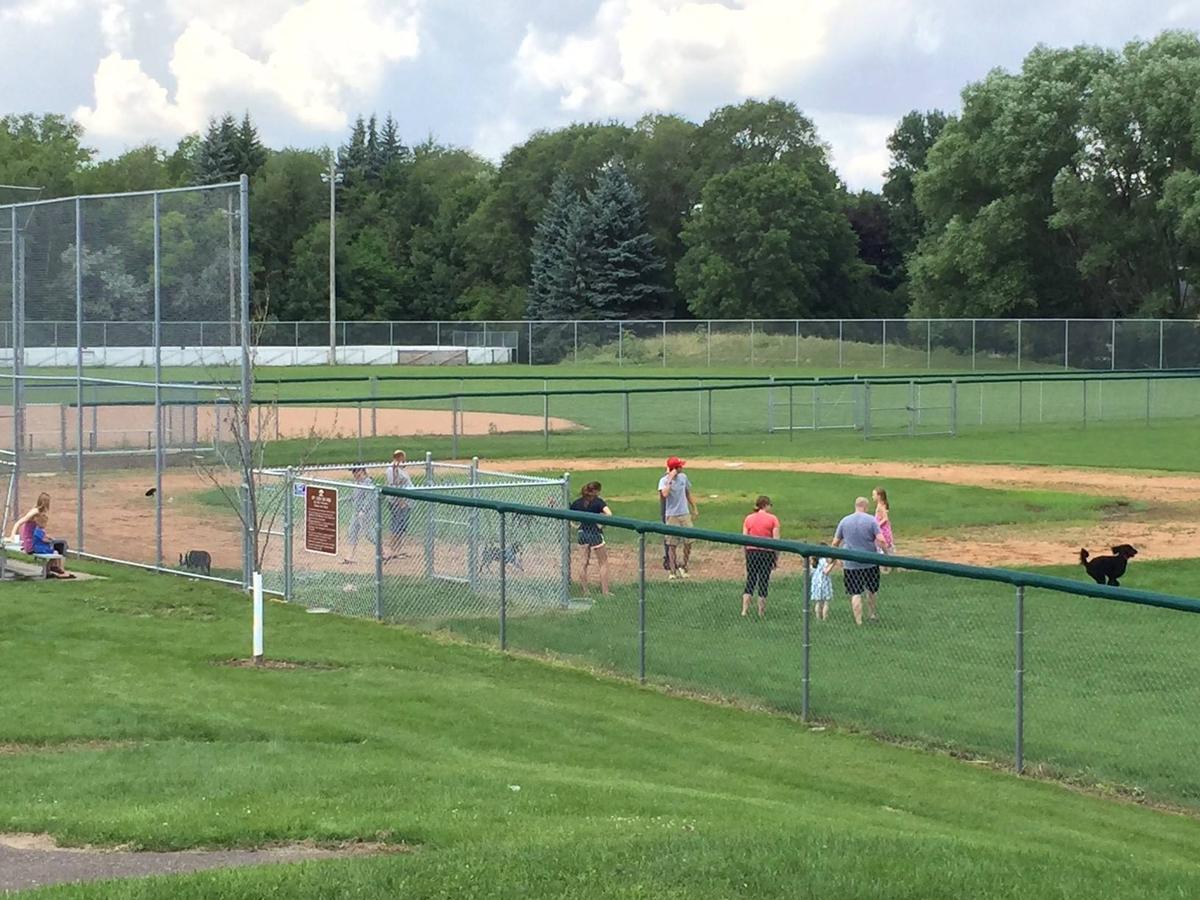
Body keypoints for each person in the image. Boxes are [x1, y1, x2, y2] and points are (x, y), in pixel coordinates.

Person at [832, 497, 888, 626]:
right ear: (866, 507)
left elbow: (835, 542)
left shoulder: (844, 521)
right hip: (870, 562)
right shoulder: (871, 521)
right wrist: (886, 555)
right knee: (872, 590)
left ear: (855, 506)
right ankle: (872, 614)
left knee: (855, 592)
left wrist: (834, 557)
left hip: (851, 563)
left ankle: (859, 621)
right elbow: (881, 540)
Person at [658, 456, 698, 580]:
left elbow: (687, 493)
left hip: (684, 513)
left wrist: (694, 508)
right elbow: (664, 494)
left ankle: (684, 566)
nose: (682, 467)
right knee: (672, 544)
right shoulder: (663, 481)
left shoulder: (683, 478)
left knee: (689, 541)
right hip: (672, 516)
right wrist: (670, 478)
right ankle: (672, 571)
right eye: (680, 466)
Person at [569, 481, 612, 596]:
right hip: (595, 533)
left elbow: (568, 513)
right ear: (596, 491)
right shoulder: (598, 502)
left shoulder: (578, 502)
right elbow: (609, 514)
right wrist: (601, 524)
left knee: (583, 563)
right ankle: (605, 592)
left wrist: (574, 525)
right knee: (603, 562)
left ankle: (585, 591)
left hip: (582, 533)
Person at [741, 496, 780, 618]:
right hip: (766, 553)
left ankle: (744, 610)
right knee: (764, 580)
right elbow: (776, 540)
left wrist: (745, 553)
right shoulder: (773, 519)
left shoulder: (749, 518)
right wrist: (776, 557)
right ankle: (761, 612)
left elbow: (744, 538)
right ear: (766, 505)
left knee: (751, 579)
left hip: (751, 552)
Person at [386, 450, 414, 560]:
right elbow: (395, 485)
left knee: (402, 526)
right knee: (396, 526)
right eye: (403, 458)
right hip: (399, 503)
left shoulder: (400, 469)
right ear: (399, 458)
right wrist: (400, 500)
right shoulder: (392, 470)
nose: (405, 460)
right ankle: (391, 550)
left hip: (406, 502)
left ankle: (397, 550)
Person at [342, 466, 374, 564]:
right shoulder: (357, 483)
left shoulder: (368, 483)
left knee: (369, 534)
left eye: (355, 471)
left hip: (366, 513)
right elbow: (354, 496)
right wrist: (342, 500)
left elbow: (369, 498)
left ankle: (383, 551)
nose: (354, 474)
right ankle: (350, 557)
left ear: (361, 471)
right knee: (352, 532)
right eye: (353, 472)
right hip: (356, 513)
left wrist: (363, 511)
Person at [31, 513, 73, 578]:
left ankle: (49, 569)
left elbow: (46, 536)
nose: (46, 525)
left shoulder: (40, 530)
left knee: (55, 554)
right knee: (56, 553)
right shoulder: (38, 531)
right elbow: (44, 539)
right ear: (41, 523)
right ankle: (54, 568)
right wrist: (51, 541)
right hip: (40, 548)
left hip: (41, 548)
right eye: (45, 523)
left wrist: (51, 538)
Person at [810, 545, 835, 621]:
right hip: (824, 583)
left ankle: (818, 618)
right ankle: (824, 618)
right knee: (826, 602)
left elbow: (811, 572)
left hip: (816, 584)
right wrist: (833, 564)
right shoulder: (824, 561)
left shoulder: (814, 561)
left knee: (818, 602)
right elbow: (826, 571)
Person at [873, 486, 894, 572]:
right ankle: (886, 566)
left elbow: (885, 518)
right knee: (882, 547)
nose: (873, 497)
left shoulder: (881, 506)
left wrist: (877, 525)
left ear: (879, 496)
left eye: (874, 495)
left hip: (882, 530)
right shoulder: (880, 505)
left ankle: (889, 565)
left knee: (883, 546)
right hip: (881, 529)